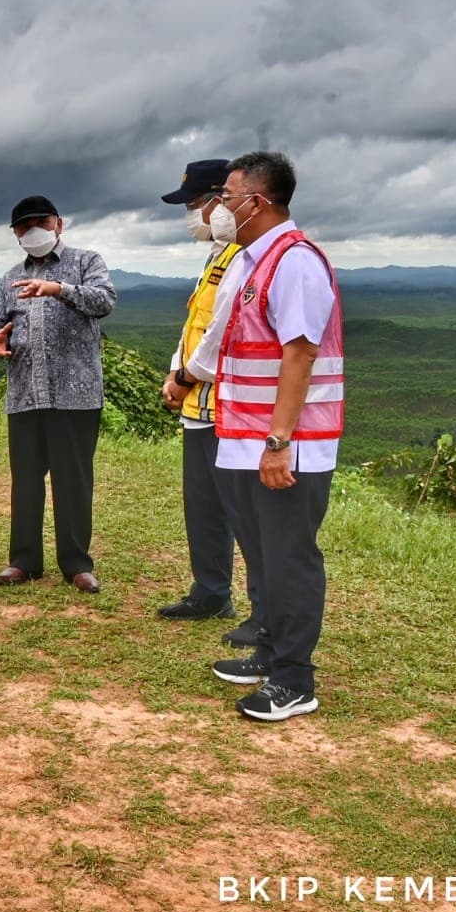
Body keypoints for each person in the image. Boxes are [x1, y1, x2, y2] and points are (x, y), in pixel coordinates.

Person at [192, 151, 344, 722]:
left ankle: (295, 679)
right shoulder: (253, 260)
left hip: (284, 444)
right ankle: (270, 650)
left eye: (227, 198)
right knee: (261, 554)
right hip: (244, 439)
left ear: (256, 202)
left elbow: (300, 353)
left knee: (287, 558)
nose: (220, 208)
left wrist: (279, 443)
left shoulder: (294, 261)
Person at [0, 196, 117, 593]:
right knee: (25, 481)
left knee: (73, 481)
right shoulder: (9, 278)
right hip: (25, 394)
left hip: (76, 396)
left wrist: (58, 289)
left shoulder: (86, 261)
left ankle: (76, 563)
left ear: (59, 223)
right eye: (24, 227)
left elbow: (105, 300)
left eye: (40, 222)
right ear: (15, 235)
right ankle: (23, 562)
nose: (33, 231)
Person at [156, 159, 259, 639]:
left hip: (230, 406)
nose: (193, 214)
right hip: (201, 406)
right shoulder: (217, 256)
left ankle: (264, 610)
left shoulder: (246, 256)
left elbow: (224, 333)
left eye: (198, 203)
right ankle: (211, 591)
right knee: (203, 504)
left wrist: (184, 376)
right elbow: (196, 323)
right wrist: (177, 372)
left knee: (245, 513)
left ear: (227, 200)